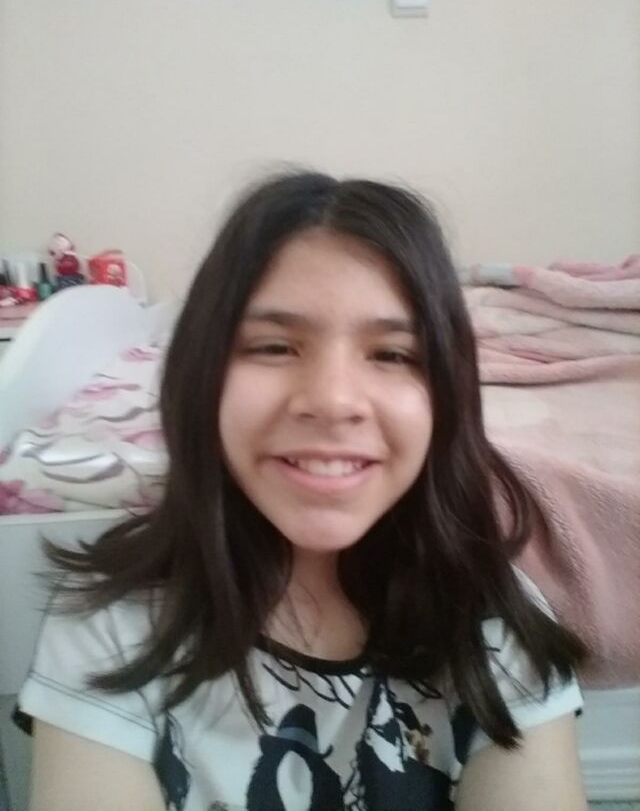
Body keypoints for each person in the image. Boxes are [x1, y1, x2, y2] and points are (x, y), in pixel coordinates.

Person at [16, 172, 588, 810]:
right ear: (201, 375)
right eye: (275, 346)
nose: (333, 401)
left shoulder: (494, 623)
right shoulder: (113, 624)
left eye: (393, 354)